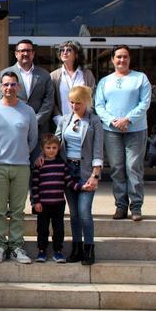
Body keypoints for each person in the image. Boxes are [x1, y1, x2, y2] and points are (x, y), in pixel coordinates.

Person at [0, 72, 38, 265]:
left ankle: (16, 246)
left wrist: (20, 153)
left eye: (13, 84)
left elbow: (32, 140)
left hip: (21, 166)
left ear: (19, 87)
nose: (9, 88)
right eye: (5, 84)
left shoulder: (28, 111)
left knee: (17, 210)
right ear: (0, 87)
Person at [95, 45, 151, 222]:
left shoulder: (140, 78)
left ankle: (136, 206)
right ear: (112, 59)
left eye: (125, 57)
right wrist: (113, 121)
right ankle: (120, 206)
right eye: (118, 57)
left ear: (129, 59)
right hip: (112, 131)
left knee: (133, 167)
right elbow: (99, 105)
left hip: (135, 129)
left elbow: (145, 103)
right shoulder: (105, 82)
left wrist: (127, 119)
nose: (121, 60)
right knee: (117, 169)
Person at [56, 86, 104, 265]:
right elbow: (56, 141)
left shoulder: (94, 121)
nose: (74, 106)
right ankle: (76, 248)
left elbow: (98, 149)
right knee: (74, 213)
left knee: (84, 212)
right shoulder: (64, 120)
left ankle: (89, 247)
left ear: (86, 102)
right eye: (72, 102)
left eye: (78, 102)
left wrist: (95, 175)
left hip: (86, 171)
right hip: (68, 170)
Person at [31, 134, 75, 264]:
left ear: (58, 149)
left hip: (58, 203)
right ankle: (42, 251)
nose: (51, 150)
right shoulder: (40, 165)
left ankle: (58, 251)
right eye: (48, 147)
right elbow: (34, 185)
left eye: (54, 147)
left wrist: (81, 187)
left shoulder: (62, 164)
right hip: (43, 204)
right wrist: (36, 201)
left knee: (59, 229)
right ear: (43, 148)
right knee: (42, 228)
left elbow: (68, 181)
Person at [0, 39, 54, 141]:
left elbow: (49, 101)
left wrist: (35, 121)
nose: (25, 53)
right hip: (14, 126)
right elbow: (1, 100)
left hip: (40, 128)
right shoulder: (5, 73)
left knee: (38, 156)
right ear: (16, 54)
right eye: (22, 51)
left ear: (33, 54)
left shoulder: (44, 74)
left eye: (28, 51)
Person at [50, 40, 96, 125]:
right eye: (62, 50)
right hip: (61, 122)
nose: (65, 52)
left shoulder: (87, 74)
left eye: (69, 50)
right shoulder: (54, 76)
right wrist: (58, 119)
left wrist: (86, 117)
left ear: (77, 54)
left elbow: (92, 98)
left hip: (84, 122)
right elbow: (51, 100)